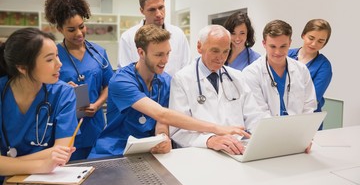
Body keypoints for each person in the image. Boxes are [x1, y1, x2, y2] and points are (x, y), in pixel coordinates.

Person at [89, 24, 249, 158]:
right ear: (141, 53)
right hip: (113, 153)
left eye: (167, 53)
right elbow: (161, 113)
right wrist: (217, 129)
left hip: (147, 153)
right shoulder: (121, 81)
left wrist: (163, 137)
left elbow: (162, 122)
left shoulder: (165, 80)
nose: (165, 60)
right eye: (159, 54)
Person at [169, 25, 266, 155]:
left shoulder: (237, 77)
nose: (221, 58)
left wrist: (262, 136)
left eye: (225, 51)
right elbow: (177, 129)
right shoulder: (182, 79)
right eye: (215, 51)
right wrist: (209, 140)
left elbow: (254, 116)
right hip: (201, 152)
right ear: (199, 47)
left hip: (236, 149)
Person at [0, 28, 78, 185]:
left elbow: (62, 152)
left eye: (57, 55)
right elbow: (52, 156)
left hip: (45, 183)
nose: (59, 64)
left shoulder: (64, 93)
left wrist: (7, 164)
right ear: (22, 68)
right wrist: (41, 164)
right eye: (50, 59)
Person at [44, 0, 114, 160]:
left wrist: (97, 104)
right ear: (60, 29)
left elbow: (109, 84)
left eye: (81, 27)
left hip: (95, 125)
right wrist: (62, 89)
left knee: (98, 171)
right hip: (65, 126)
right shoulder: (54, 54)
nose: (79, 33)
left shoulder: (98, 53)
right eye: (71, 29)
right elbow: (44, 88)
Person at [242, 20, 317, 117]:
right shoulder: (251, 73)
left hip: (297, 128)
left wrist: (300, 127)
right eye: (273, 46)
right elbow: (258, 112)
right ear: (264, 44)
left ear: (289, 43)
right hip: (266, 130)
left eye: (283, 46)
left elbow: (309, 105)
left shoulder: (301, 70)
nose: (278, 52)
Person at [118, 0, 191, 76]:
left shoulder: (178, 34)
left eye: (161, 7)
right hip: (139, 89)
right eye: (152, 9)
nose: (159, 14)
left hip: (174, 88)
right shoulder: (128, 37)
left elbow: (186, 68)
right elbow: (125, 73)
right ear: (142, 11)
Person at [288, 19, 332, 130]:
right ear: (303, 35)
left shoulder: (324, 66)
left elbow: (312, 99)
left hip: (308, 121)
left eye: (320, 41)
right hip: (281, 117)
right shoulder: (287, 55)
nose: (314, 44)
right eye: (311, 38)